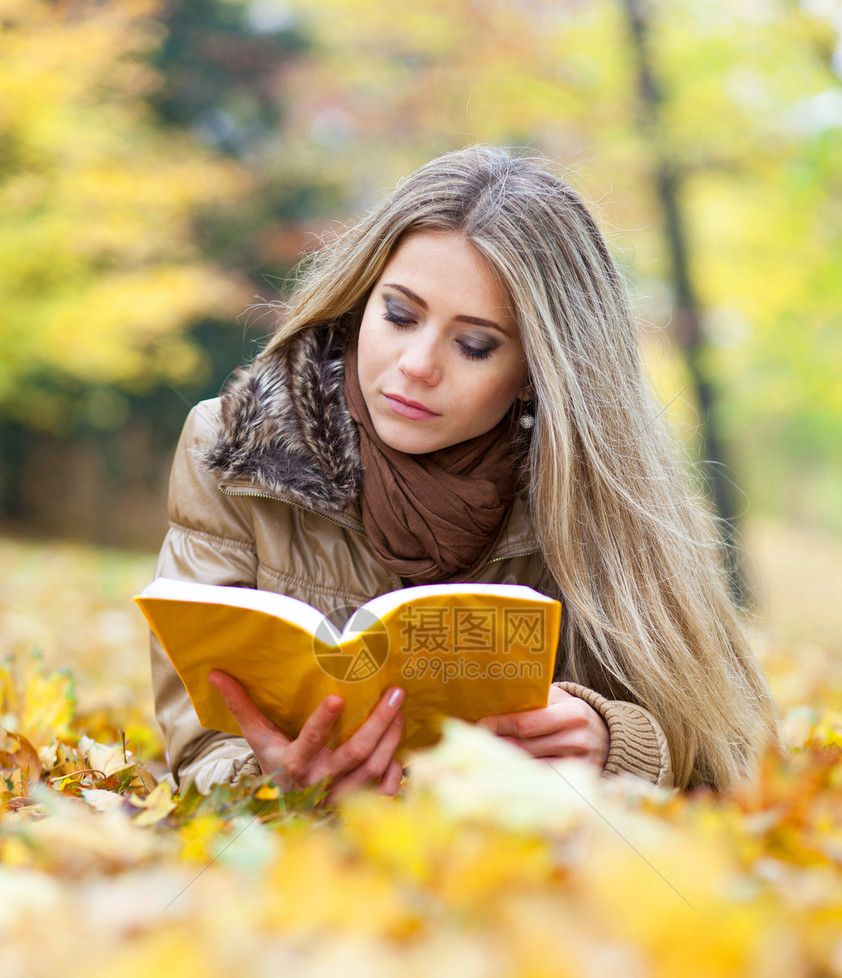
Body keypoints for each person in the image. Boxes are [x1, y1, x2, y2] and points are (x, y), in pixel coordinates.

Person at [151, 145, 776, 800]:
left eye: (475, 344)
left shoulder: (603, 491)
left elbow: (742, 748)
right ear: (362, 300)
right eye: (399, 314)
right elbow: (198, 746)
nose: (418, 364)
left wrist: (615, 740)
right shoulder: (231, 446)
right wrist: (275, 783)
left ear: (537, 374)